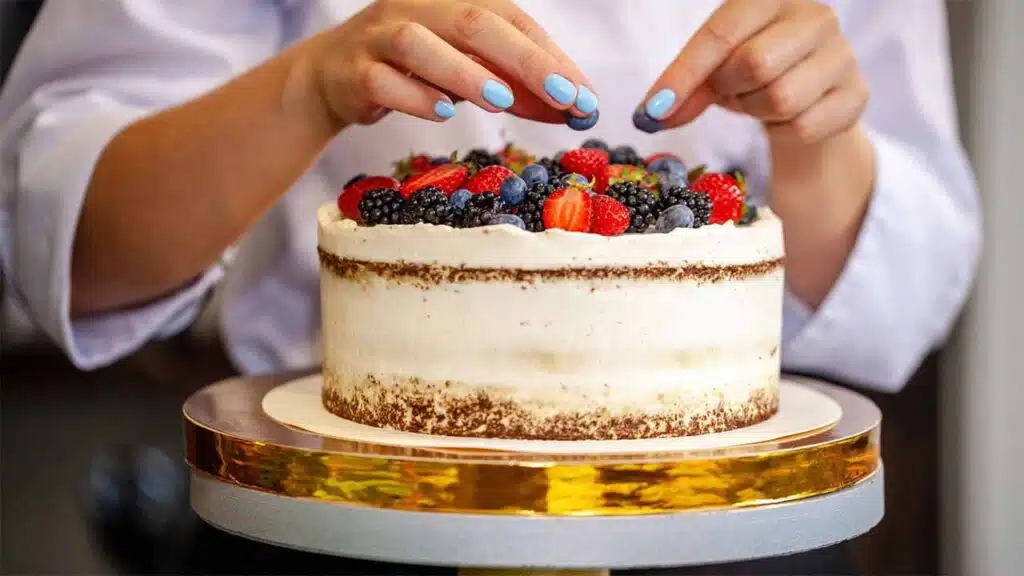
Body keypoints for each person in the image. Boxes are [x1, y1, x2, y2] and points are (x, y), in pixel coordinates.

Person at [0, 0, 979, 573]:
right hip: (340, 524)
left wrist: (810, 140)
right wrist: (307, 87)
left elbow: (908, 288)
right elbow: (71, 240)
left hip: (734, 528)